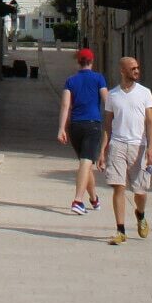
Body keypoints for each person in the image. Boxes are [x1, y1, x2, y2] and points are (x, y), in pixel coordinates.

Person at [104, 56, 152, 245]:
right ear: (122, 71)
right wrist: (102, 150)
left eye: (137, 68)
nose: (136, 71)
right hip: (117, 145)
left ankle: (140, 214)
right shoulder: (113, 95)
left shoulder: (145, 93)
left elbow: (150, 122)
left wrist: (150, 147)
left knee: (140, 191)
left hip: (139, 146)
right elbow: (107, 124)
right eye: (132, 68)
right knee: (118, 186)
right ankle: (120, 230)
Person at [54, 48, 111, 214]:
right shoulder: (99, 78)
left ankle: (94, 199)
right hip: (92, 124)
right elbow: (107, 101)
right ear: (92, 62)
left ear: (78, 62)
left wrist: (61, 128)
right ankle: (78, 201)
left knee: (86, 163)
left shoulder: (70, 81)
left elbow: (65, 105)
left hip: (75, 126)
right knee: (86, 162)